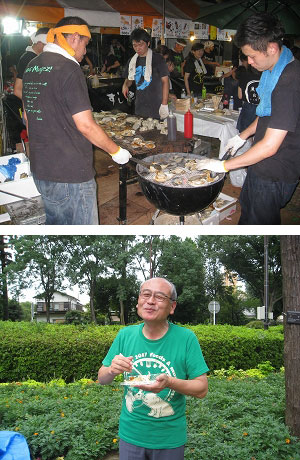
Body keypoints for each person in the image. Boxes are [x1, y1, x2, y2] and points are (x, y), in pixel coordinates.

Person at [22, 16, 131, 225]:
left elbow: (28, 116)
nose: (85, 51)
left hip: (41, 169)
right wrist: (116, 152)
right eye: (85, 43)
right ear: (74, 37)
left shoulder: (32, 66)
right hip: (71, 174)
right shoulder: (70, 69)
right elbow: (86, 125)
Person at [196, 13, 300, 225]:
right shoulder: (275, 71)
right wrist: (242, 136)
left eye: (252, 56)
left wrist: (225, 166)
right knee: (247, 213)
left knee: (260, 223)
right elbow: (267, 114)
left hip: (274, 170)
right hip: (260, 164)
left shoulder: (289, 81)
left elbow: (270, 147)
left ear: (271, 48)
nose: (249, 63)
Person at [98, 277, 209, 460]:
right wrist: (111, 370)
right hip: (130, 436)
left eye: (159, 297)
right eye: (146, 295)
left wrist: (170, 382)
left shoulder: (186, 338)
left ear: (172, 307)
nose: (150, 301)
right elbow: (101, 379)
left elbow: (202, 388)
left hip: (169, 439)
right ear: (138, 302)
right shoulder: (125, 335)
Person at [122, 28, 169, 120]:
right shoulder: (132, 61)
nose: (137, 48)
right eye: (134, 45)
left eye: (140, 45)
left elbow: (165, 81)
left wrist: (164, 103)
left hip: (157, 105)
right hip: (140, 105)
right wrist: (125, 85)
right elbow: (129, 79)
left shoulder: (158, 59)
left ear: (148, 43)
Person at [14, 27, 49, 100]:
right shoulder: (28, 59)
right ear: (39, 43)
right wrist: (34, 105)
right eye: (47, 45)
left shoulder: (39, 58)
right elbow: (17, 90)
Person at [236, 52, 261, 132]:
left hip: (248, 107)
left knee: (245, 131)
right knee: (259, 131)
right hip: (262, 107)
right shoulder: (265, 76)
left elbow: (240, 96)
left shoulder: (245, 76)